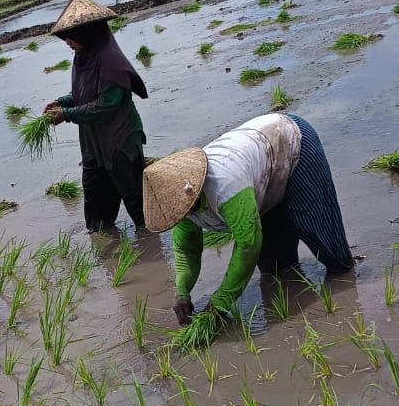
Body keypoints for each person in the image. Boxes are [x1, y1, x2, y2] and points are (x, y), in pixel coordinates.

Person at [143, 112, 354, 325]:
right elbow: (187, 251)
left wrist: (221, 301)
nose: (184, 214)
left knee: (326, 244)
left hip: (289, 140)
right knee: (276, 268)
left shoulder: (224, 187)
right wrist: (182, 292)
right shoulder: (179, 206)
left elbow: (247, 245)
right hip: (261, 174)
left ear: (194, 192)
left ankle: (348, 306)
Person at [43, 0, 149, 231]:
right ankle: (102, 240)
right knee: (94, 194)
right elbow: (84, 94)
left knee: (134, 196)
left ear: (87, 34)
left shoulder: (111, 62)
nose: (68, 42)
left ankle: (151, 245)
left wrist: (67, 114)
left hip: (119, 139)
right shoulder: (82, 58)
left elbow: (106, 105)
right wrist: (61, 102)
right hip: (93, 143)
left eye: (72, 37)